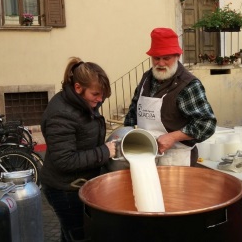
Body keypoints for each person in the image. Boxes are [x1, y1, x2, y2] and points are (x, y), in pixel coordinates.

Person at [40, 57, 116, 242]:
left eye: (103, 96)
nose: (99, 100)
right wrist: (104, 152)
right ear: (78, 88)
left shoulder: (81, 103)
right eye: (96, 94)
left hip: (77, 184)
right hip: (64, 189)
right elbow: (65, 160)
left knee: (69, 235)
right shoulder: (61, 114)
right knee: (79, 236)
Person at [124, 27, 217, 167]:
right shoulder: (146, 79)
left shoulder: (188, 85)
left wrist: (173, 137)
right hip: (146, 156)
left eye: (166, 58)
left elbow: (206, 124)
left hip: (177, 158)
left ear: (177, 56)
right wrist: (127, 136)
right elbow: (132, 113)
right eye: (156, 58)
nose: (160, 64)